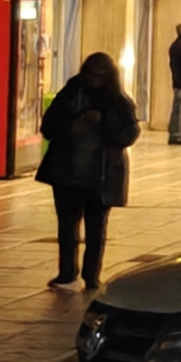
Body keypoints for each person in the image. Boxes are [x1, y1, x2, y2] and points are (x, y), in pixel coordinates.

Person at [36, 52, 138, 289]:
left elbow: (128, 134)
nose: (95, 80)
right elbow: (48, 126)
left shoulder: (118, 101)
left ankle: (91, 275)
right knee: (67, 225)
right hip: (68, 172)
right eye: (91, 74)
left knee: (96, 228)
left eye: (101, 75)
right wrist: (74, 124)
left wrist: (103, 122)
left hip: (100, 174)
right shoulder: (71, 94)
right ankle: (67, 271)